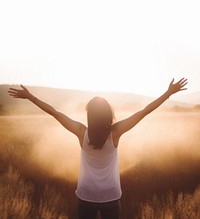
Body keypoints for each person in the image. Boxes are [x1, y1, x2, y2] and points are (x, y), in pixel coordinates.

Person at [8, 77, 188, 219]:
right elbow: (144, 111)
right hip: (111, 196)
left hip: (86, 195)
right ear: (108, 115)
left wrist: (30, 97)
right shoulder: (115, 133)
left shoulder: (81, 132)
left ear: (89, 116)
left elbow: (55, 113)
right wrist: (168, 93)